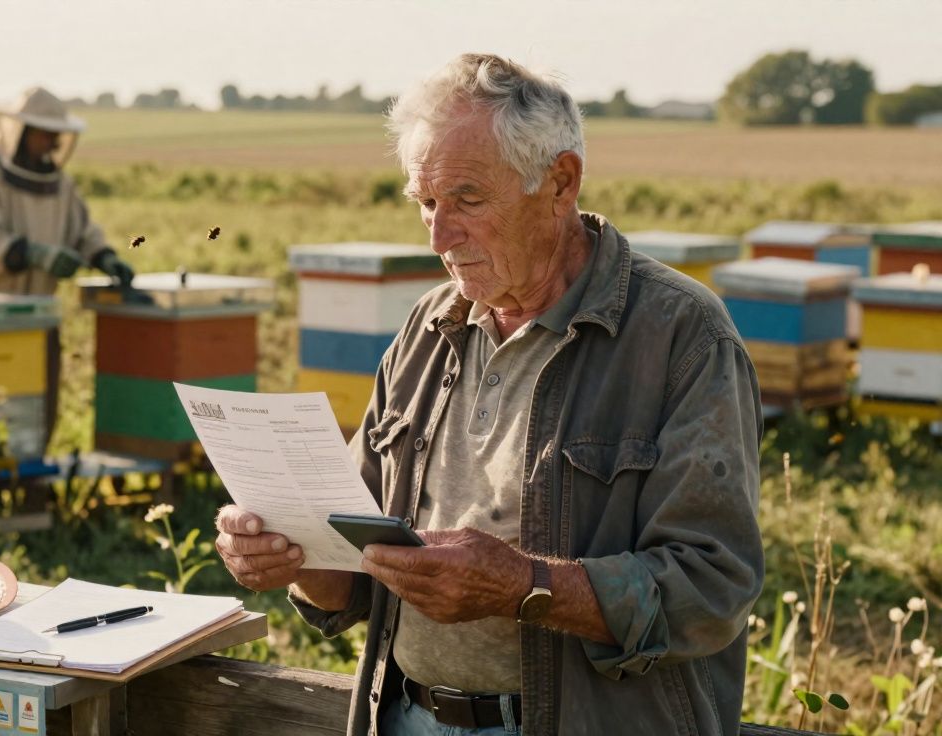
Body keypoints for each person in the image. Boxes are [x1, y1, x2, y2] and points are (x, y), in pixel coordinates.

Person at [214, 54, 764, 736]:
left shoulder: (681, 336)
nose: (441, 236)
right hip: (406, 717)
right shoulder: (427, 326)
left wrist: (523, 586)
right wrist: (288, 558)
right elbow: (353, 573)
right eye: (426, 204)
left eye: (468, 199)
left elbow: (713, 588)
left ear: (560, 182)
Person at [0, 86, 138, 450]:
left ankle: (31, 482)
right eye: (43, 132)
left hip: (41, 315)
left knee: (38, 415)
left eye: (55, 134)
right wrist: (34, 254)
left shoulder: (59, 183)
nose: (51, 142)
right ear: (19, 131)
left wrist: (103, 256)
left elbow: (82, 229)